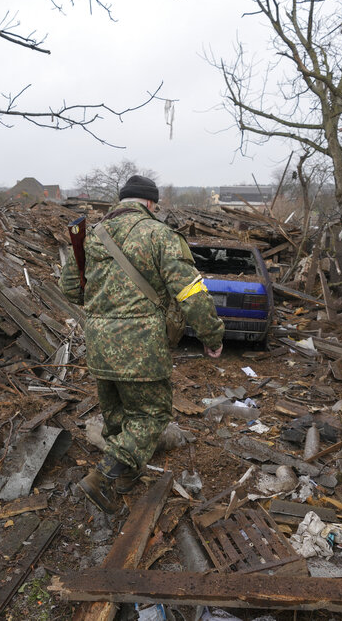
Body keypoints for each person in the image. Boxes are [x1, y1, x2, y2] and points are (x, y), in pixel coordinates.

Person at [59, 175, 225, 513]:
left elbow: (71, 290)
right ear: (150, 203)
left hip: (100, 345)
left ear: (123, 200)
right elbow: (191, 292)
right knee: (152, 413)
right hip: (142, 347)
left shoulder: (91, 237)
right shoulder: (159, 235)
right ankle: (104, 476)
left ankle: (125, 475)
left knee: (117, 414)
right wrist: (212, 335)